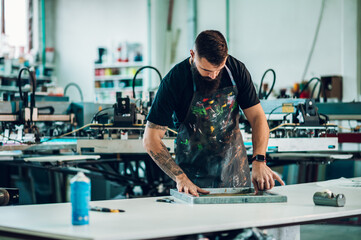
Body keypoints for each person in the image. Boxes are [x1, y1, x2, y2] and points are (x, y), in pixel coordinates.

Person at [143, 30, 284, 196]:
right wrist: (180, 177)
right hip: (192, 181)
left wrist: (259, 160)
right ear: (192, 54)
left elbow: (258, 117)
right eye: (207, 70)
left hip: (235, 175)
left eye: (219, 69)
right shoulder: (175, 80)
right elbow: (150, 138)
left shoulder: (236, 70)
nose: (213, 75)